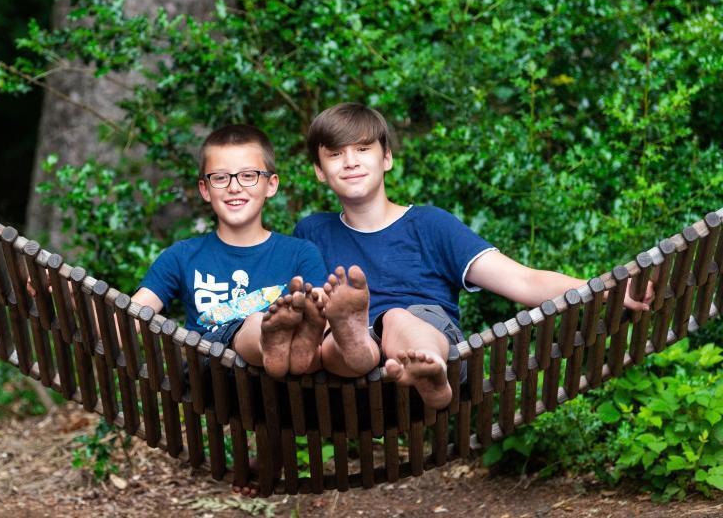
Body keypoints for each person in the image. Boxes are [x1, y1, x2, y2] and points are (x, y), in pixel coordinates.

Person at [294, 102, 653, 409]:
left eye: (362, 149)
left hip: (425, 335)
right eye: (336, 154)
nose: (350, 162)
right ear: (319, 171)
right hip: (354, 368)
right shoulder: (313, 232)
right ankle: (356, 335)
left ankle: (428, 368)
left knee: (397, 319)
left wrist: (609, 289)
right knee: (339, 334)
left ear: (386, 158)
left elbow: (522, 279)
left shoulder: (430, 225)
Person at [132, 124, 328, 378]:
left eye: (248, 175)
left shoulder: (301, 253)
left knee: (274, 323)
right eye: (221, 177)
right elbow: (130, 317)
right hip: (216, 374)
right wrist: (80, 307)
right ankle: (269, 339)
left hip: (285, 385)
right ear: (205, 188)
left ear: (271, 185)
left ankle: (278, 341)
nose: (234, 187)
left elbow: (321, 319)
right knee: (256, 322)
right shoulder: (181, 256)